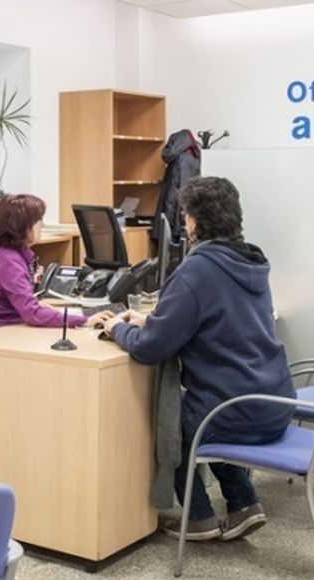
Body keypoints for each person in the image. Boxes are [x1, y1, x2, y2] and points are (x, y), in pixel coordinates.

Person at [89, 176, 294, 541]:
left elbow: (150, 348)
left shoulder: (197, 270)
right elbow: (218, 320)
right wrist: (153, 320)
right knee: (205, 407)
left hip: (235, 412)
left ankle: (198, 517)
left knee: (175, 420)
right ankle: (244, 503)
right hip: (275, 402)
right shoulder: (250, 262)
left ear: (195, 221)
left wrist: (117, 328)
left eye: (185, 216)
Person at [0, 193, 87, 329]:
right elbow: (32, 314)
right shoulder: (8, 262)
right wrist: (84, 321)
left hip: (4, 326)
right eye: (38, 220)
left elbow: (23, 305)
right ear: (22, 226)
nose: (42, 225)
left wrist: (36, 304)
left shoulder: (4, 253)